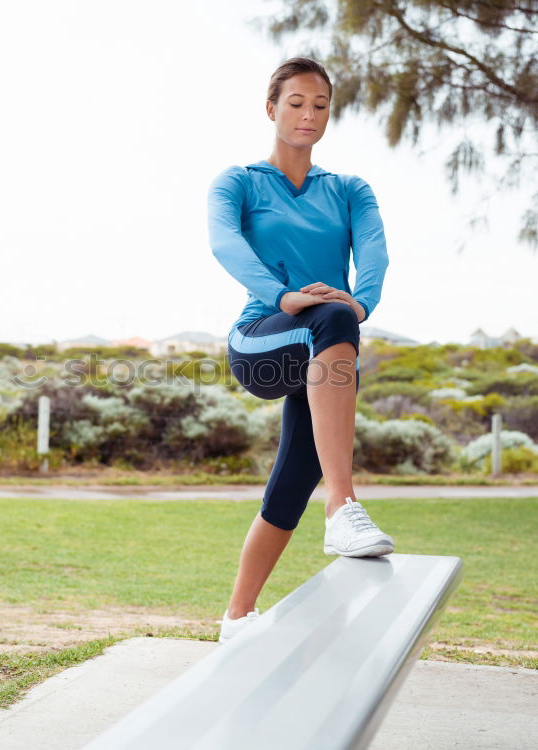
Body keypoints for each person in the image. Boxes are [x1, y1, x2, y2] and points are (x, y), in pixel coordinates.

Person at [207, 57, 392, 643]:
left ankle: (235, 619)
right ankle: (344, 507)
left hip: (329, 346)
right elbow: (225, 244)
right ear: (271, 108)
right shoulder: (238, 182)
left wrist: (362, 303)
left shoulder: (349, 190)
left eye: (320, 105)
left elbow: (375, 251)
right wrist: (283, 296)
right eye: (295, 103)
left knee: (293, 479)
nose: (308, 115)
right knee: (330, 318)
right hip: (262, 339)